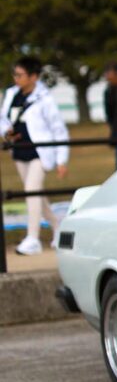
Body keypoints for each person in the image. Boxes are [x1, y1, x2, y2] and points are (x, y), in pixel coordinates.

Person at [0, 56, 69, 255]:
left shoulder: (45, 99)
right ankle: (58, 227)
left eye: (20, 75)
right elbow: (4, 120)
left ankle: (33, 238)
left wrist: (61, 160)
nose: (16, 78)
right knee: (37, 194)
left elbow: (59, 130)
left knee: (31, 189)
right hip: (19, 150)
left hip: (40, 152)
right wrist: (7, 133)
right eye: (15, 74)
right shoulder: (12, 94)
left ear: (33, 77)